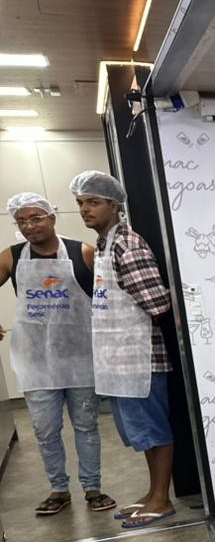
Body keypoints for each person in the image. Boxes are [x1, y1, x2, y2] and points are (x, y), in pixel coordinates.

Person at [0, 192, 115, 517]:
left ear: (51, 217)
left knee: (86, 426)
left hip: (80, 358)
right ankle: (59, 489)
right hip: (36, 361)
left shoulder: (83, 252)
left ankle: (92, 488)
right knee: (45, 430)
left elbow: (107, 300)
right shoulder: (11, 257)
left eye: (36, 218)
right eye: (22, 221)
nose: (29, 226)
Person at [72, 170, 175, 529]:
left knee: (155, 431)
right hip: (119, 359)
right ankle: (153, 493)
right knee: (142, 433)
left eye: (93, 202)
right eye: (80, 203)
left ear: (114, 205)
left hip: (139, 357)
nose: (85, 209)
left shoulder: (126, 244)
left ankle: (162, 499)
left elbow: (157, 303)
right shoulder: (104, 244)